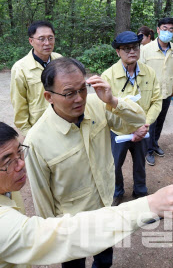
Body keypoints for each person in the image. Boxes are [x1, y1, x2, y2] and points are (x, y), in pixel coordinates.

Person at [0, 121, 173, 268]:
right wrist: (149, 206)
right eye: (8, 161)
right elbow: (68, 233)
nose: (21, 164)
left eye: (20, 152)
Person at [24, 57, 146, 268]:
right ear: (48, 96)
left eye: (82, 89)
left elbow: (136, 121)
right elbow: (41, 195)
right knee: (73, 264)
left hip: (105, 206)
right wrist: (52, 235)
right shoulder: (36, 141)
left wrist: (113, 101)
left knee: (104, 259)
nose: (79, 99)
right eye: (69, 93)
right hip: (72, 223)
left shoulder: (97, 105)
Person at [102, 31, 162, 206]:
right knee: (114, 165)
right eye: (126, 48)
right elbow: (106, 109)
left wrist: (144, 125)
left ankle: (140, 191)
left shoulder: (149, 73)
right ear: (117, 52)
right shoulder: (108, 76)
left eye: (135, 47)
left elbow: (156, 101)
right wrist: (132, 127)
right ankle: (117, 191)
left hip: (143, 130)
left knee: (140, 164)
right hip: (118, 132)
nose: (132, 51)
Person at [10, 20, 63, 136]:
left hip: (62, 121)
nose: (47, 43)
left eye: (50, 38)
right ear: (31, 41)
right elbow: (19, 103)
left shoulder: (59, 60)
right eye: (41, 39)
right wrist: (27, 132)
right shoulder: (20, 68)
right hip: (38, 127)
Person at [140, 17, 173, 164]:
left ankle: (155, 144)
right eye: (164, 28)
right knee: (150, 122)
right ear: (157, 30)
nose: (167, 32)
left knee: (161, 121)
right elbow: (139, 72)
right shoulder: (145, 49)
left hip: (167, 92)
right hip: (150, 94)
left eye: (171, 29)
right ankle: (148, 150)